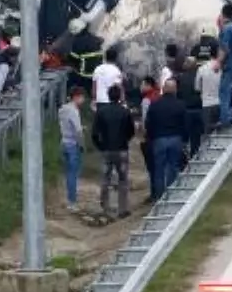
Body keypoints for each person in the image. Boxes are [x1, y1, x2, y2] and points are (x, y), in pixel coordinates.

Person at [91, 84, 134, 218]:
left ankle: (105, 207)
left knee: (105, 179)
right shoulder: (125, 112)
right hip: (121, 149)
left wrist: (100, 146)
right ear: (120, 96)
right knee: (122, 179)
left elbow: (94, 133)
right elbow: (131, 131)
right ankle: (123, 209)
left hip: (106, 149)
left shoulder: (101, 112)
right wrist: (125, 140)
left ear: (108, 96)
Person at [144, 79, 187, 200]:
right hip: (175, 138)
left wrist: (151, 137)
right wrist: (184, 138)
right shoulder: (181, 104)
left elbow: (149, 123)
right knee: (173, 167)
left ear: (163, 88)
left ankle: (159, 197)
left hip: (159, 139)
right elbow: (184, 123)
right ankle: (171, 196)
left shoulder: (155, 104)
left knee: (159, 170)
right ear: (175, 90)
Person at [58, 87, 86, 210]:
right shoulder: (74, 111)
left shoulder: (62, 109)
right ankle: (72, 202)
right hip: (72, 145)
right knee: (73, 174)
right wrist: (82, 145)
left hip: (63, 142)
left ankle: (70, 199)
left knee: (69, 172)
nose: (83, 100)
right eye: (82, 97)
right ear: (76, 96)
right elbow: (78, 131)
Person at [175, 57, 204, 157]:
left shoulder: (180, 78)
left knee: (185, 138)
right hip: (199, 109)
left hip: (186, 111)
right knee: (196, 138)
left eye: (185, 62)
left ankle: (185, 159)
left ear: (188, 65)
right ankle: (195, 155)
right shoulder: (200, 77)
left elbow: (178, 95)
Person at [67, 20, 104, 96]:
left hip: (84, 75)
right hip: (97, 74)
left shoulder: (78, 42)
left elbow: (73, 59)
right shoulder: (94, 38)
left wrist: (65, 58)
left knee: (68, 80)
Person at [138, 75, 159, 198]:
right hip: (160, 134)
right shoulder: (158, 95)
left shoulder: (146, 100)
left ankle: (154, 192)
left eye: (142, 84)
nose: (141, 87)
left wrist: (144, 134)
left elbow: (145, 119)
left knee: (151, 166)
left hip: (150, 136)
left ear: (148, 85)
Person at [195, 54, 222, 132]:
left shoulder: (201, 69)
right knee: (219, 129)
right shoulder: (221, 68)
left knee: (208, 129)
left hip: (206, 103)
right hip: (218, 101)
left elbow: (197, 87)